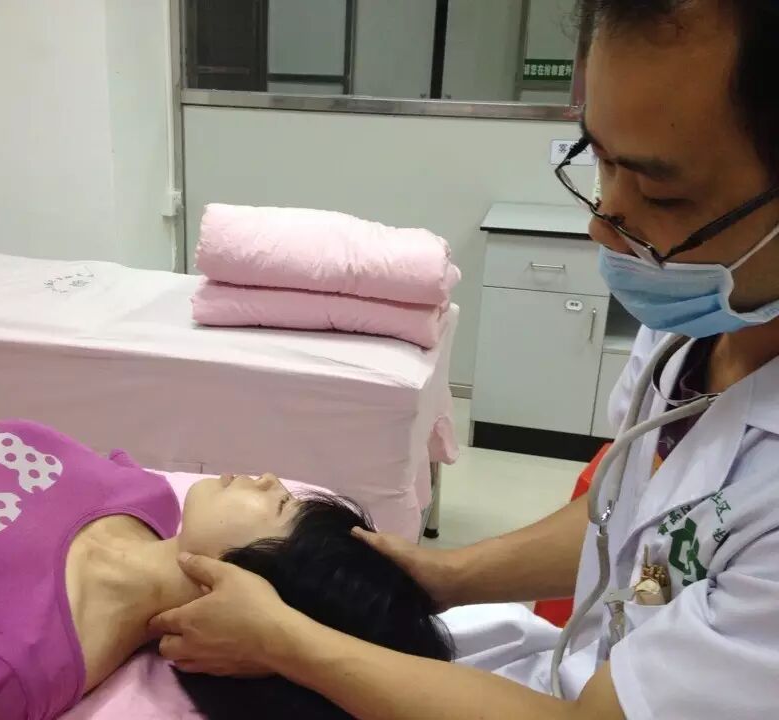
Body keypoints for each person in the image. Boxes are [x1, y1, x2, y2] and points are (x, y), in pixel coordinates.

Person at [149, 1, 779, 718]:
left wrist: (285, 643)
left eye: (662, 193)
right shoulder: (702, 324)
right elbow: (638, 520)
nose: (603, 226)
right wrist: (446, 576)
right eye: (599, 159)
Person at [0, 409, 452, 719]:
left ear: (265, 585)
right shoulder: (145, 497)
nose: (267, 479)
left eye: (282, 506)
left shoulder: (16, 657)